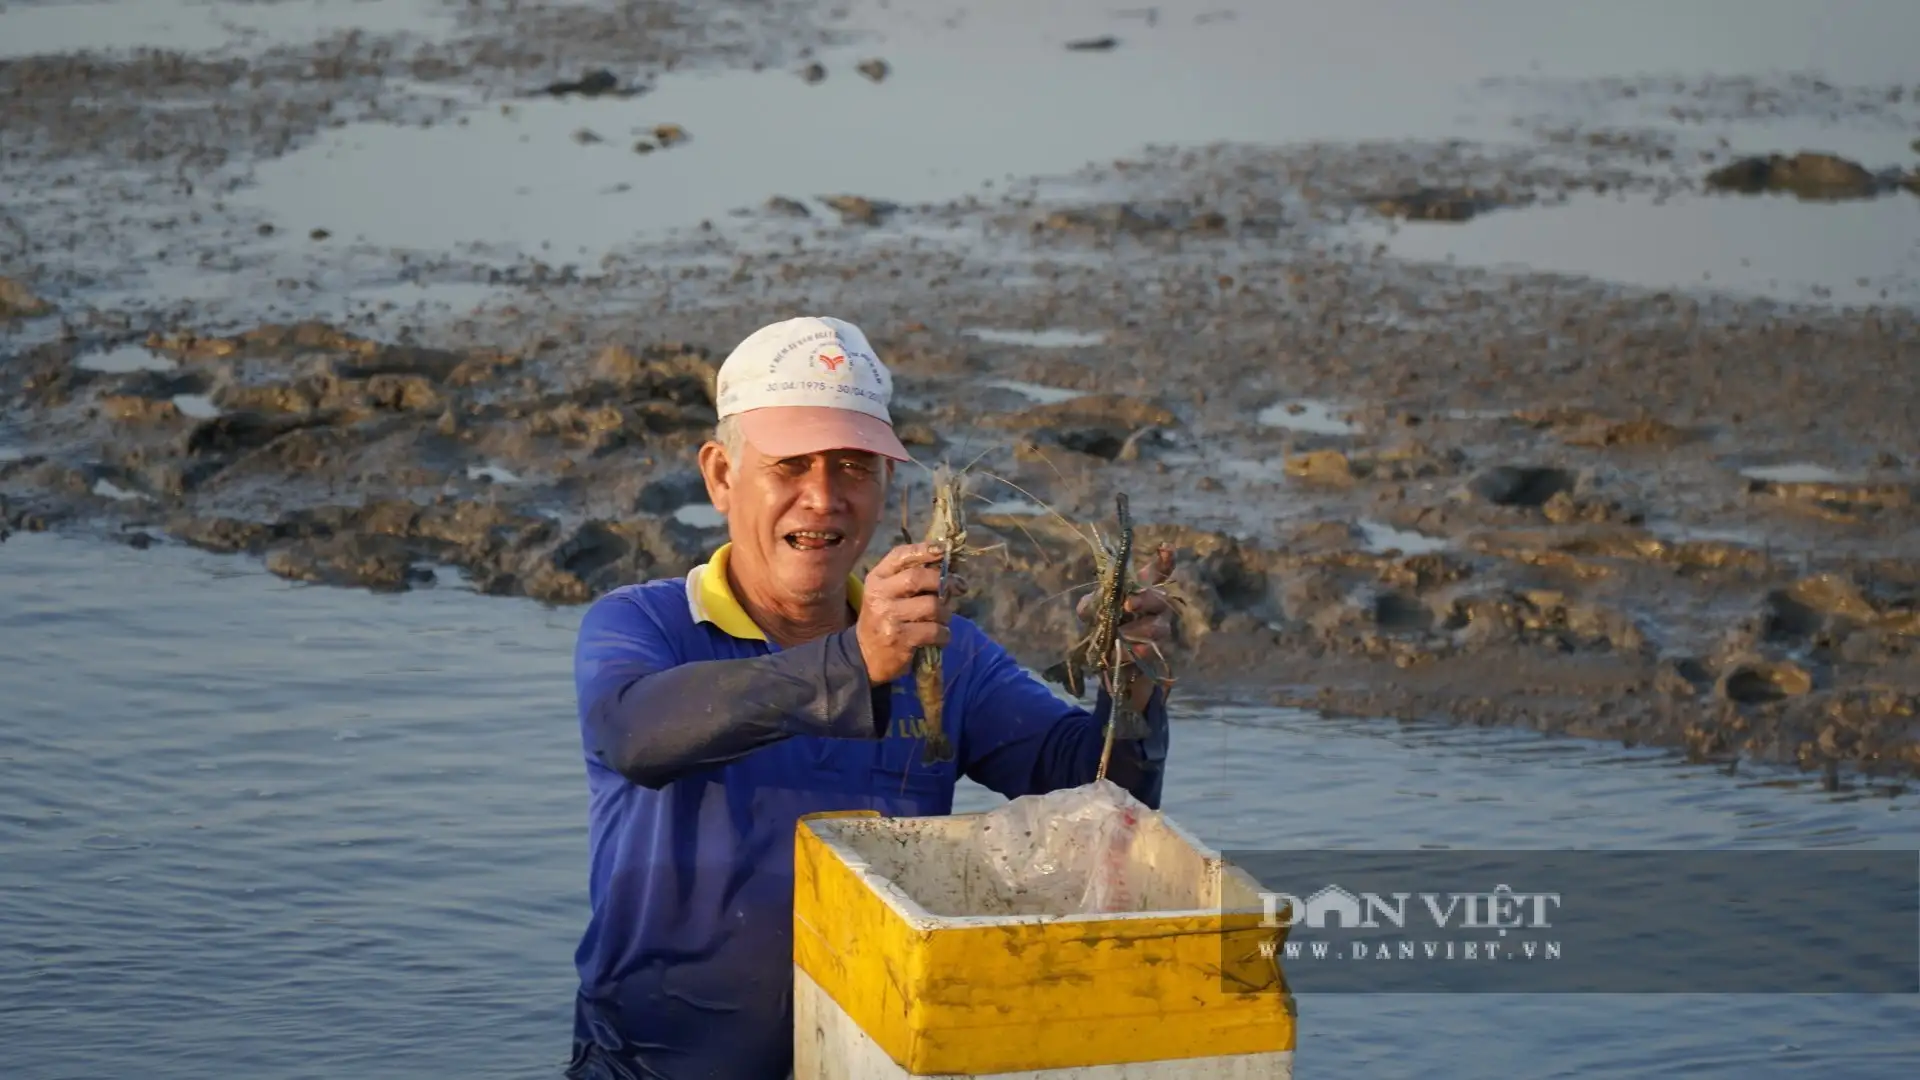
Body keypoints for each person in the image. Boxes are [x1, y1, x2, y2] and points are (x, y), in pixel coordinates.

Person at [564, 316, 1179, 1080]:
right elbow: (636, 736)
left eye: (854, 466)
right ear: (721, 475)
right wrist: (854, 662)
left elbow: (1101, 792)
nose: (822, 498)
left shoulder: (944, 653)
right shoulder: (641, 624)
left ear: (887, 485)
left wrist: (1133, 681)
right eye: (791, 465)